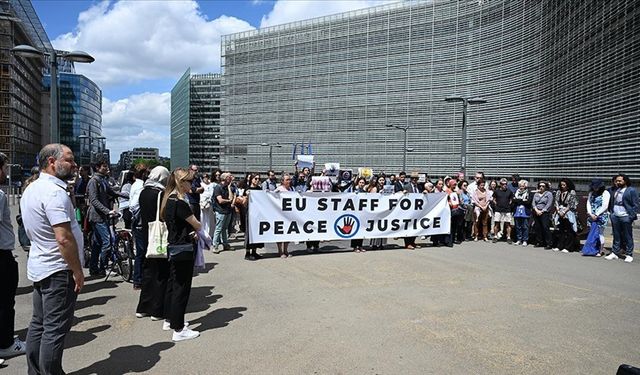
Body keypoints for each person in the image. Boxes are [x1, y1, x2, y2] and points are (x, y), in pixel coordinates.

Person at [20, 144, 84, 374]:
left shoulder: (33, 188)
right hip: (58, 269)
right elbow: (63, 238)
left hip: (42, 264)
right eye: (69, 160)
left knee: (39, 324)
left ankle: (35, 371)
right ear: (51, 162)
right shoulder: (54, 193)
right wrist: (76, 270)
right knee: (54, 330)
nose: (74, 164)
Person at [160, 167, 202, 341]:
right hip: (183, 247)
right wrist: (192, 230)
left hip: (174, 245)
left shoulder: (168, 200)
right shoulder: (180, 202)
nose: (191, 184)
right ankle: (178, 328)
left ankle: (171, 319)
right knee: (181, 288)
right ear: (181, 182)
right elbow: (197, 224)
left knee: (173, 284)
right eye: (189, 181)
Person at [135, 166, 171, 322]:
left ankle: (143, 307)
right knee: (161, 273)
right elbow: (165, 215)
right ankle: (157, 310)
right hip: (159, 236)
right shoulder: (160, 194)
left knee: (148, 272)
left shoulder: (144, 192)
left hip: (146, 233)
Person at [0, 152, 26, 361]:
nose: (6, 172)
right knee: (5, 302)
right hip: (1, 256)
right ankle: (6, 344)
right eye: (4, 168)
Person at [87, 159, 122, 276]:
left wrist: (127, 195)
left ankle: (93, 269)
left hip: (102, 216)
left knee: (97, 244)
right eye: (104, 167)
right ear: (97, 168)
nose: (107, 169)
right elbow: (94, 200)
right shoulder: (93, 181)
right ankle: (103, 268)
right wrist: (108, 211)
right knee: (107, 242)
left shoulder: (103, 180)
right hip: (97, 217)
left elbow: (112, 192)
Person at [605, 174, 638, 263]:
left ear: (625, 181)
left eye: (620, 181)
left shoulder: (631, 190)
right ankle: (614, 252)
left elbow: (635, 204)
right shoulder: (616, 190)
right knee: (616, 235)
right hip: (615, 215)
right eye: (617, 181)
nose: (618, 182)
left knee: (628, 236)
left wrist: (630, 216)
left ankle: (629, 254)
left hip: (625, 216)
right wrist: (612, 213)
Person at [128, 163, 149, 290]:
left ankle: (139, 279)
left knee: (140, 252)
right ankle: (138, 279)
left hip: (137, 221)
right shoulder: (141, 186)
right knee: (142, 252)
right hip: (140, 221)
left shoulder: (136, 184)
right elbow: (135, 204)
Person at [552, 178, 578, 253]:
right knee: (560, 230)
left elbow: (572, 204)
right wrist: (558, 210)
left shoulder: (572, 192)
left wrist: (564, 212)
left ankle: (568, 247)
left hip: (568, 213)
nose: (562, 186)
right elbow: (556, 202)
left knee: (569, 230)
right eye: (561, 185)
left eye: (564, 185)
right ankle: (560, 246)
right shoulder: (559, 192)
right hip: (559, 212)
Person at [586, 179, 611, 257]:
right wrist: (590, 213)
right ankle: (593, 248)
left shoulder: (605, 193)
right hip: (592, 215)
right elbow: (588, 203)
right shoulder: (591, 193)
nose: (595, 188)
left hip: (601, 215)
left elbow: (605, 205)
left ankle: (600, 250)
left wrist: (596, 214)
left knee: (600, 233)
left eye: (596, 187)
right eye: (593, 187)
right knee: (592, 232)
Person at [244, 174, 264, 260]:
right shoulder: (247, 189)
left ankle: (254, 252)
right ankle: (247, 253)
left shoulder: (259, 189)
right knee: (249, 232)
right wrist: (247, 196)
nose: (257, 180)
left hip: (258, 213)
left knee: (256, 232)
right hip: (250, 213)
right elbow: (244, 203)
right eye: (255, 178)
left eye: (258, 179)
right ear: (251, 179)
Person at [212, 172, 234, 253]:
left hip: (227, 211)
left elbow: (231, 198)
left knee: (225, 229)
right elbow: (220, 200)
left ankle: (225, 244)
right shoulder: (218, 187)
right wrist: (228, 200)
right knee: (218, 228)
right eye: (229, 177)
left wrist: (229, 187)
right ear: (224, 178)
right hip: (220, 211)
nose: (231, 178)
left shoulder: (228, 187)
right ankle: (215, 245)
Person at [275, 174, 294, 257]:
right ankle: (280, 251)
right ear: (282, 181)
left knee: (288, 233)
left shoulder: (292, 189)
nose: (289, 181)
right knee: (280, 233)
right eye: (287, 180)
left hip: (289, 215)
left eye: (289, 179)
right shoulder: (279, 189)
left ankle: (286, 250)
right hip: (280, 214)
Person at [532, 181, 553, 249]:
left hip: (544, 213)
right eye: (540, 186)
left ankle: (549, 243)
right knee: (538, 227)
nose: (541, 187)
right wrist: (536, 210)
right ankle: (539, 242)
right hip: (536, 212)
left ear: (546, 187)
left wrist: (542, 211)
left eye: (543, 186)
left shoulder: (549, 194)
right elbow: (533, 203)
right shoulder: (536, 194)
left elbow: (549, 204)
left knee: (545, 227)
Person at [402, 174, 421, 249]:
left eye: (416, 178)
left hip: (416, 210)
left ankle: (413, 242)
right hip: (408, 210)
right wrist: (403, 193)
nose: (415, 180)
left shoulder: (419, 187)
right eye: (413, 178)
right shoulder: (406, 186)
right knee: (407, 227)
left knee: (415, 226)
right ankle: (407, 243)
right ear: (411, 179)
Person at [492, 178, 514, 244]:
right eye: (503, 184)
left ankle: (508, 237)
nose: (504, 185)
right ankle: (495, 237)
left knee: (508, 224)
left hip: (507, 210)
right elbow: (494, 199)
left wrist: (508, 205)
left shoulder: (509, 191)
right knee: (496, 224)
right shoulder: (496, 191)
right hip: (498, 209)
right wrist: (497, 205)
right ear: (500, 184)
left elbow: (511, 200)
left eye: (505, 184)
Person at [512, 180, 532, 246]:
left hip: (525, 212)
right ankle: (519, 239)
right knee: (518, 226)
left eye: (523, 186)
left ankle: (525, 240)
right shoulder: (516, 191)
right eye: (520, 186)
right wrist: (522, 200)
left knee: (525, 226)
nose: (521, 187)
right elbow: (513, 200)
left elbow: (528, 202)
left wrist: (518, 201)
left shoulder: (528, 192)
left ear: (525, 186)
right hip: (517, 211)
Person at [350, 177, 368, 252]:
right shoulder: (353, 190)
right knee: (355, 229)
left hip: (362, 213)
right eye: (360, 182)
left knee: (361, 230)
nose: (361, 184)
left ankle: (360, 245)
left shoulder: (365, 192)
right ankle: (355, 246)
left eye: (363, 183)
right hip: (355, 213)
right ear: (358, 183)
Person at [199, 173, 215, 239]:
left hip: (209, 204)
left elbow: (211, 194)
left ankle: (209, 234)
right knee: (202, 219)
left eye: (207, 177)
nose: (205, 178)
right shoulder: (200, 184)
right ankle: (203, 233)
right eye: (204, 177)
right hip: (202, 204)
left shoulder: (211, 185)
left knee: (209, 220)